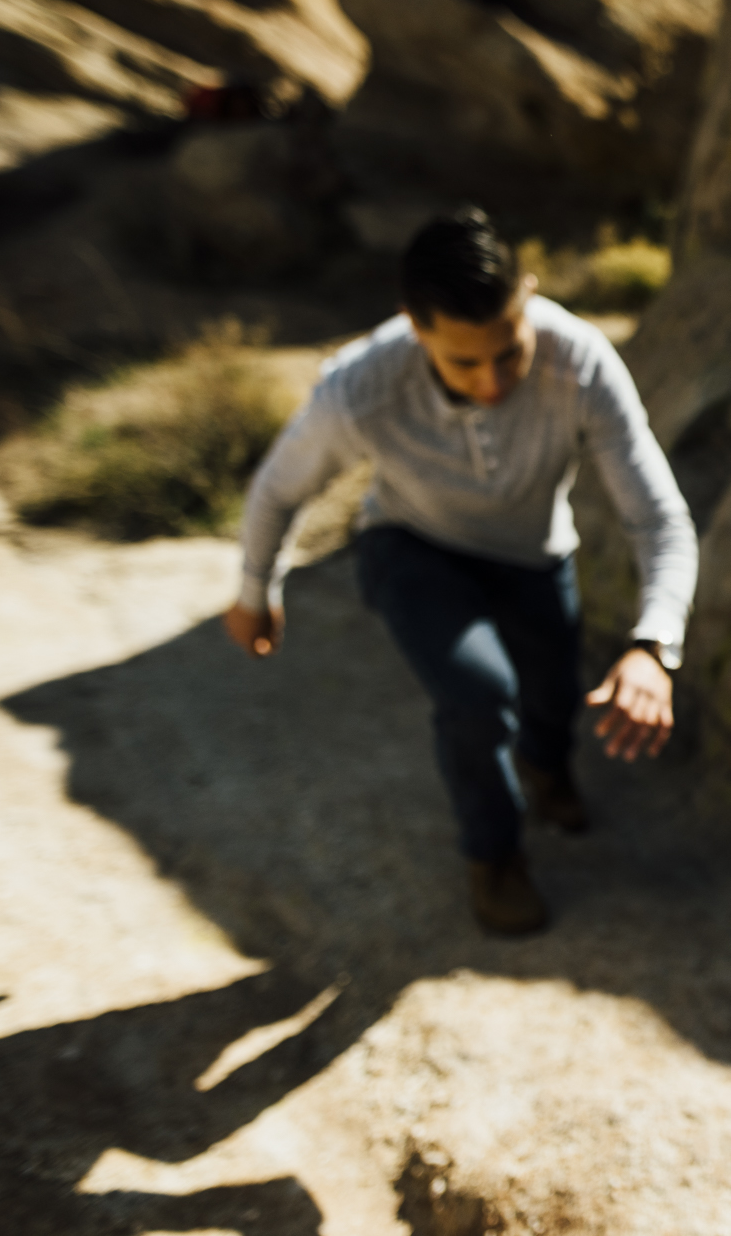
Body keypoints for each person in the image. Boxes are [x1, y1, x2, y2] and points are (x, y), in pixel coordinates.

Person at [223, 209, 697, 936]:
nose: (492, 381)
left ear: (528, 295)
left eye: (510, 351)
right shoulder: (360, 386)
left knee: (549, 698)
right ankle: (495, 855)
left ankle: (545, 766)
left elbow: (657, 517)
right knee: (479, 697)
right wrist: (256, 591)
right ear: (415, 326)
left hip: (536, 551)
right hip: (412, 544)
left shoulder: (582, 361)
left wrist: (653, 645)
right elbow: (279, 489)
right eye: (463, 363)